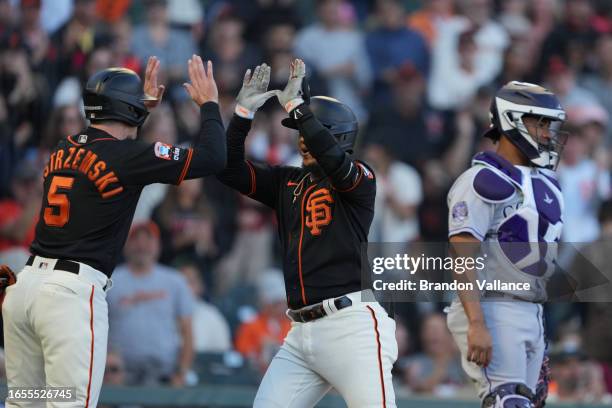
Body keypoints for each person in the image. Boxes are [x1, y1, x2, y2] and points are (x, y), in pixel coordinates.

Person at [1, 54, 225, 407]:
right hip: (69, 296)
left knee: (25, 402)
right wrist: (210, 105)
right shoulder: (128, 157)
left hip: (25, 289)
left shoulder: (64, 146)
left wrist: (140, 108)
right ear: (131, 112)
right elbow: (213, 157)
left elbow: (110, 149)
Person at [217, 59, 397, 407]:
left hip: (352, 326)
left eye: (310, 131)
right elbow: (231, 171)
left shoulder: (360, 178)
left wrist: (300, 110)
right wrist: (241, 116)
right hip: (300, 332)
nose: (302, 140)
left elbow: (335, 162)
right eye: (299, 132)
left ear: (337, 137)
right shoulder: (287, 181)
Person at [446, 81, 568, 407]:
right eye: (539, 122)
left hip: (532, 309)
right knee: (507, 402)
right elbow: (461, 255)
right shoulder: (481, 179)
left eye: (548, 125)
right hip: (492, 305)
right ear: (512, 120)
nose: (546, 133)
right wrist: (476, 323)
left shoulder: (547, 183)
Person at [108, 221, 194, 386]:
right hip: (119, 372)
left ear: (158, 245)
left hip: (163, 371)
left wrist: (182, 372)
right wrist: (105, 365)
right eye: (136, 240)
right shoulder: (110, 280)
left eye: (148, 240)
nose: (142, 246)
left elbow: (187, 332)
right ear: (126, 244)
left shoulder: (175, 281)